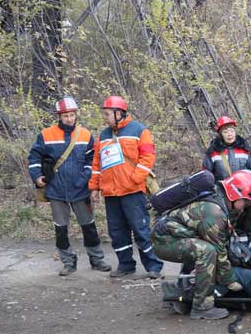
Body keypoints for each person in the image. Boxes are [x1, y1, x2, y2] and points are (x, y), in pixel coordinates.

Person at [151, 170, 251, 319]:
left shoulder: (217, 199)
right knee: (206, 251)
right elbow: (219, 250)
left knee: (204, 250)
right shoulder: (214, 212)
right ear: (235, 195)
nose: (243, 207)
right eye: (245, 202)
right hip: (165, 241)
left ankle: (180, 290)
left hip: (175, 235)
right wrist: (230, 281)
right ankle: (202, 307)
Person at [27, 96, 111, 276]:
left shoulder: (85, 134)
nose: (69, 119)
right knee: (61, 229)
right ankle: (68, 262)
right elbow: (34, 157)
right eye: (65, 116)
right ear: (59, 116)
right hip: (56, 190)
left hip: (80, 190)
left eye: (72, 115)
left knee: (89, 226)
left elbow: (92, 160)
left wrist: (84, 179)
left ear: (75, 115)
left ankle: (97, 259)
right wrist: (36, 176)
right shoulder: (46, 134)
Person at [89, 96, 163, 279]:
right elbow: (97, 164)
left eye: (107, 114)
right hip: (111, 193)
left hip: (132, 192)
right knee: (117, 232)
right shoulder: (103, 135)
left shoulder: (139, 130)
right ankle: (125, 265)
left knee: (141, 230)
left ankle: (153, 267)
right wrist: (95, 187)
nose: (105, 117)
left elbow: (148, 157)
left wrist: (134, 178)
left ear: (118, 113)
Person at [202, 115, 251, 263]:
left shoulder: (245, 150)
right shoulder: (213, 153)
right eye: (225, 131)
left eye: (231, 130)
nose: (229, 134)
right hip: (225, 198)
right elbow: (207, 176)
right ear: (220, 134)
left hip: (246, 194)